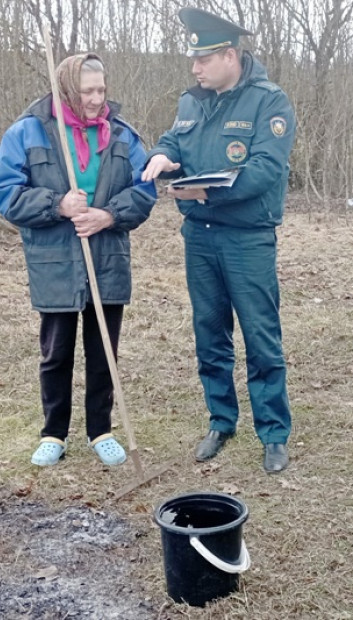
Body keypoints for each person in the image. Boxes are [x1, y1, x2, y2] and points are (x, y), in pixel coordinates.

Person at [141, 7, 296, 473]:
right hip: (200, 238)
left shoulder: (269, 102)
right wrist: (164, 155)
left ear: (230, 55)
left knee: (260, 335)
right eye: (194, 59)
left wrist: (207, 192)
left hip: (247, 238)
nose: (195, 67)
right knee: (210, 333)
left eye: (203, 59)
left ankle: (272, 432)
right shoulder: (193, 101)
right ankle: (221, 420)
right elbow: (174, 138)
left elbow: (268, 168)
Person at [0, 53, 156, 468]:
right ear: (66, 89)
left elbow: (145, 189)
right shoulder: (27, 132)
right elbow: (5, 195)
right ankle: (53, 433)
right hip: (55, 262)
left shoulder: (121, 135)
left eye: (101, 90)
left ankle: (100, 429)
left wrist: (109, 215)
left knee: (104, 350)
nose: (97, 99)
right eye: (87, 91)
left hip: (107, 257)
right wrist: (58, 205)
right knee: (56, 352)